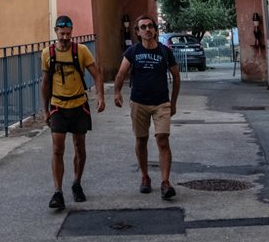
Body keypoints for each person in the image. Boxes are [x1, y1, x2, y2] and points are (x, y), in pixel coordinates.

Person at [41, 15, 105, 210]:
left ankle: (77, 183)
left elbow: (97, 75)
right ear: (55, 31)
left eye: (68, 34)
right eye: (62, 34)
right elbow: (46, 83)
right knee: (57, 149)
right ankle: (57, 192)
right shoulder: (47, 53)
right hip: (58, 106)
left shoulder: (81, 50)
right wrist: (46, 110)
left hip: (79, 105)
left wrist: (100, 96)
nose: (65, 37)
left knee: (79, 147)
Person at [114, 15, 181, 199]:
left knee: (163, 139)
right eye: (143, 27)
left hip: (161, 102)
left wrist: (173, 102)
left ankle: (165, 182)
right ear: (137, 32)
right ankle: (145, 176)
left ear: (155, 29)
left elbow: (176, 76)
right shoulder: (133, 51)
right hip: (139, 102)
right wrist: (117, 92)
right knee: (141, 140)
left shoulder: (164, 51)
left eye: (150, 26)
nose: (147, 29)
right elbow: (121, 73)